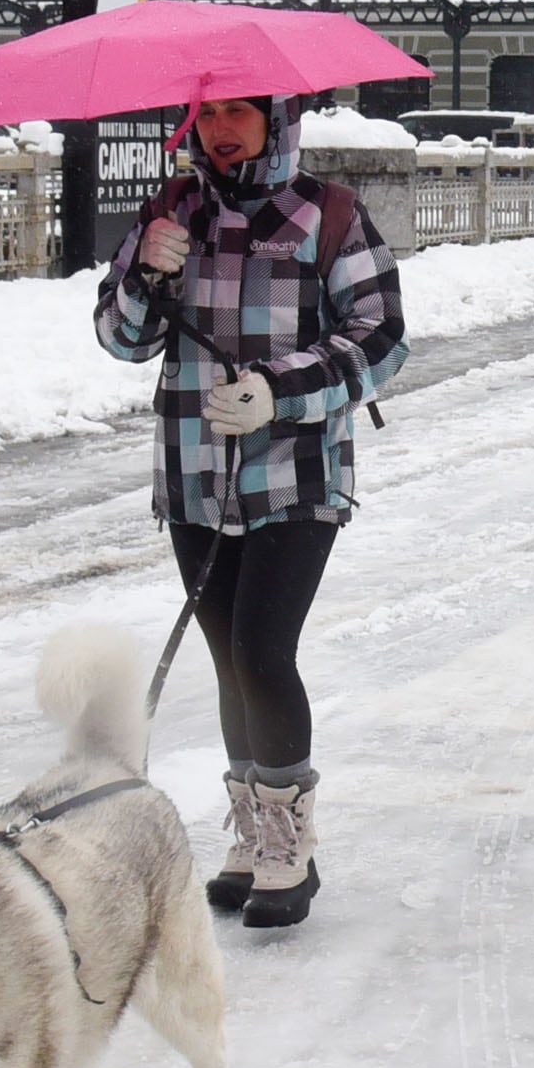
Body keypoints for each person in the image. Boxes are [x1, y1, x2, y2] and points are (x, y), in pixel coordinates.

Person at [97, 95, 406, 927]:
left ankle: (287, 842)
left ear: (277, 119)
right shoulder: (172, 213)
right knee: (227, 657)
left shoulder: (326, 215)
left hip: (295, 472)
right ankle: (251, 827)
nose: (220, 130)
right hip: (196, 470)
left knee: (263, 650)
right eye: (205, 116)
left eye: (239, 112)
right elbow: (123, 342)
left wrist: (279, 391)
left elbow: (382, 339)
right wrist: (146, 275)